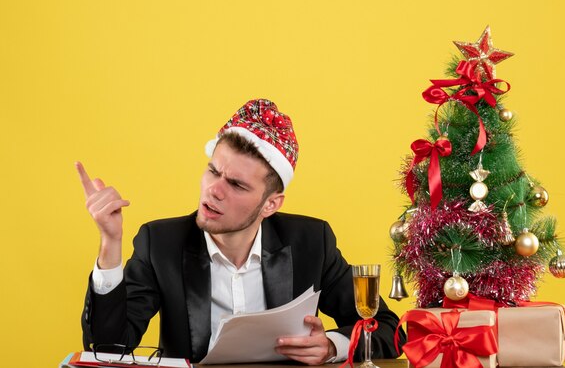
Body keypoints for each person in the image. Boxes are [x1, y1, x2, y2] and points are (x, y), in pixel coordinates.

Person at [78, 99, 404, 365]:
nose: (214, 191)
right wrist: (110, 243)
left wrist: (332, 346)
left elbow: (389, 329)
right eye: (213, 171)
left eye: (236, 184)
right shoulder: (160, 243)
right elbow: (107, 349)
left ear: (270, 204)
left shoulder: (310, 242)